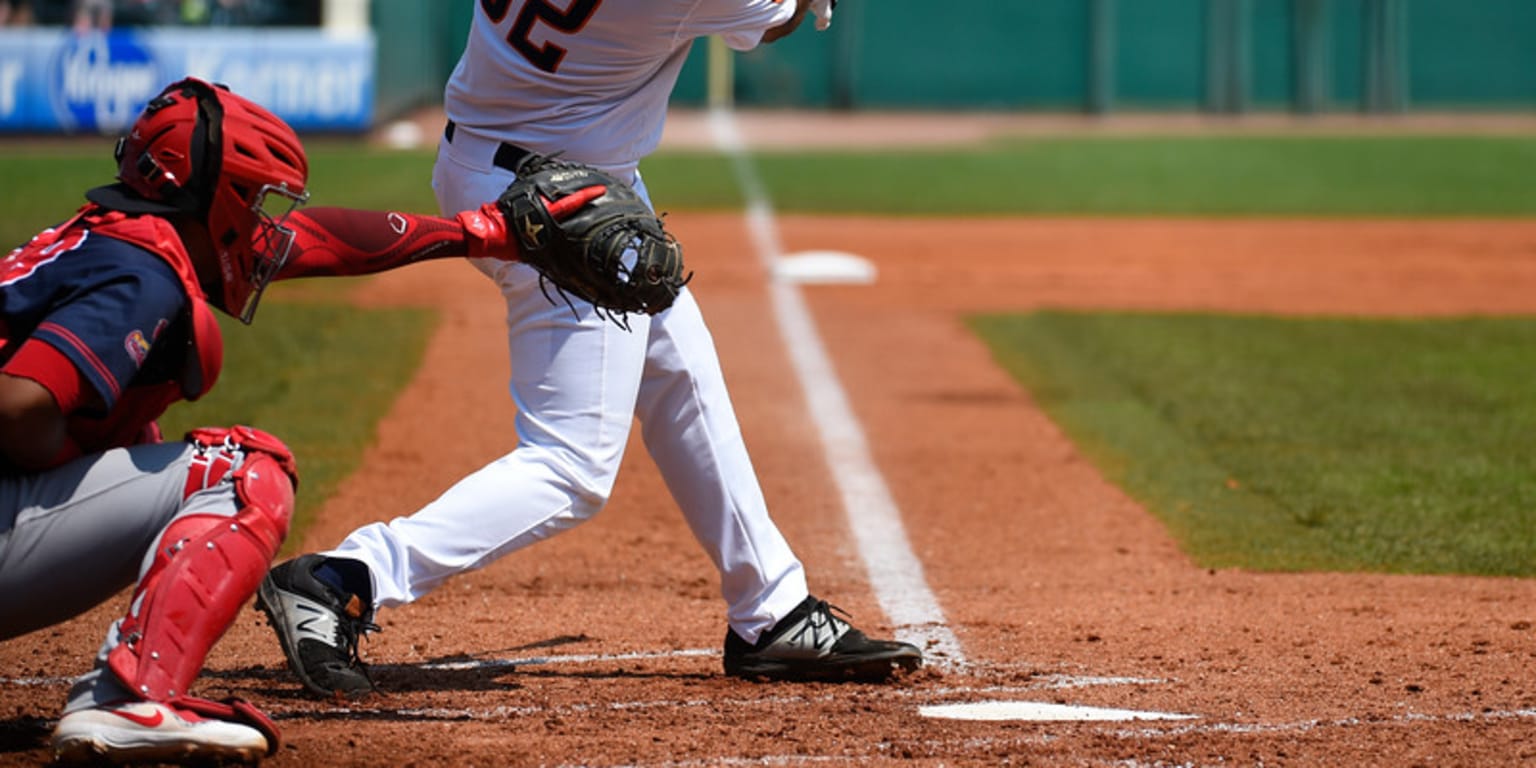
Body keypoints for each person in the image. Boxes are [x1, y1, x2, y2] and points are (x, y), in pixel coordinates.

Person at [258, 0, 922, 699]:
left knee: (677, 369)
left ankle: (771, 609)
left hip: (524, 160)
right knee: (571, 464)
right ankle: (343, 579)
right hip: (554, 197)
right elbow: (778, 19)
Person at [0, 75, 584, 764]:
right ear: (208, 192)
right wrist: (86, 442)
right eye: (249, 197)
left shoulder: (115, 233)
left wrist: (477, 233)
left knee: (140, 439)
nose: (261, 220)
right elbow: (17, 406)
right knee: (244, 473)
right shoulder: (143, 274)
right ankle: (130, 699)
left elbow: (317, 241)